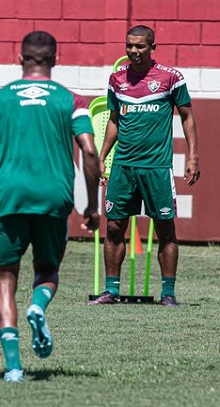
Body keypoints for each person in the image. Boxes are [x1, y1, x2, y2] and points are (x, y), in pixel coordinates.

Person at [0, 31, 100, 382]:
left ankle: (13, 368)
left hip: (8, 197)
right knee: (46, 271)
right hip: (53, 197)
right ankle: (38, 306)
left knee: (5, 280)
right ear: (54, 60)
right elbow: (88, 151)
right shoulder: (71, 100)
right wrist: (92, 205)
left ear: (20, 58)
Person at [87, 25, 200, 307]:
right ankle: (111, 291)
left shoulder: (171, 78)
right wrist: (102, 156)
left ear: (152, 48)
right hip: (124, 167)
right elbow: (114, 120)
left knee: (165, 230)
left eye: (140, 47)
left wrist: (193, 155)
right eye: (129, 46)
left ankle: (168, 293)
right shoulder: (117, 79)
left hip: (157, 168)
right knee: (114, 228)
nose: (133, 52)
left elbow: (187, 117)